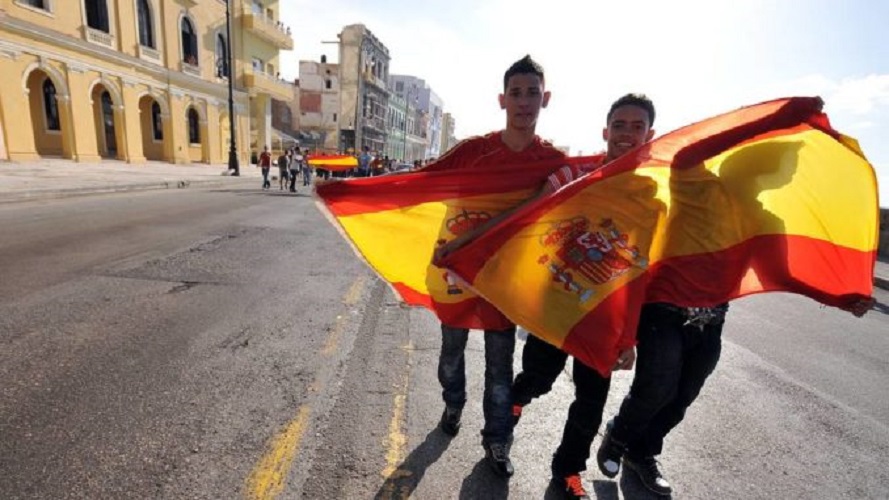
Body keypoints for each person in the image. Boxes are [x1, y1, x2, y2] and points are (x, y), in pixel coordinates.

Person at [494, 94, 654, 500]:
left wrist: (629, 338)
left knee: (591, 402)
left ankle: (568, 470)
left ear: (650, 136)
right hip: (556, 306)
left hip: (602, 317)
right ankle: (515, 401)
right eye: (619, 125)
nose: (627, 134)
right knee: (538, 378)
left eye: (637, 127)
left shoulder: (650, 198)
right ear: (605, 131)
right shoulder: (575, 174)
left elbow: (638, 274)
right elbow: (527, 214)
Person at [426, 55, 567, 479]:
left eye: (532, 93)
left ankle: (497, 440)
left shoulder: (553, 162)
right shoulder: (472, 151)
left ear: (545, 99)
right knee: (451, 355)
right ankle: (453, 402)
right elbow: (422, 182)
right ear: (502, 100)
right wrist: (355, 189)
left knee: (500, 366)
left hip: (505, 281)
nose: (524, 102)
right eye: (516, 93)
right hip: (455, 271)